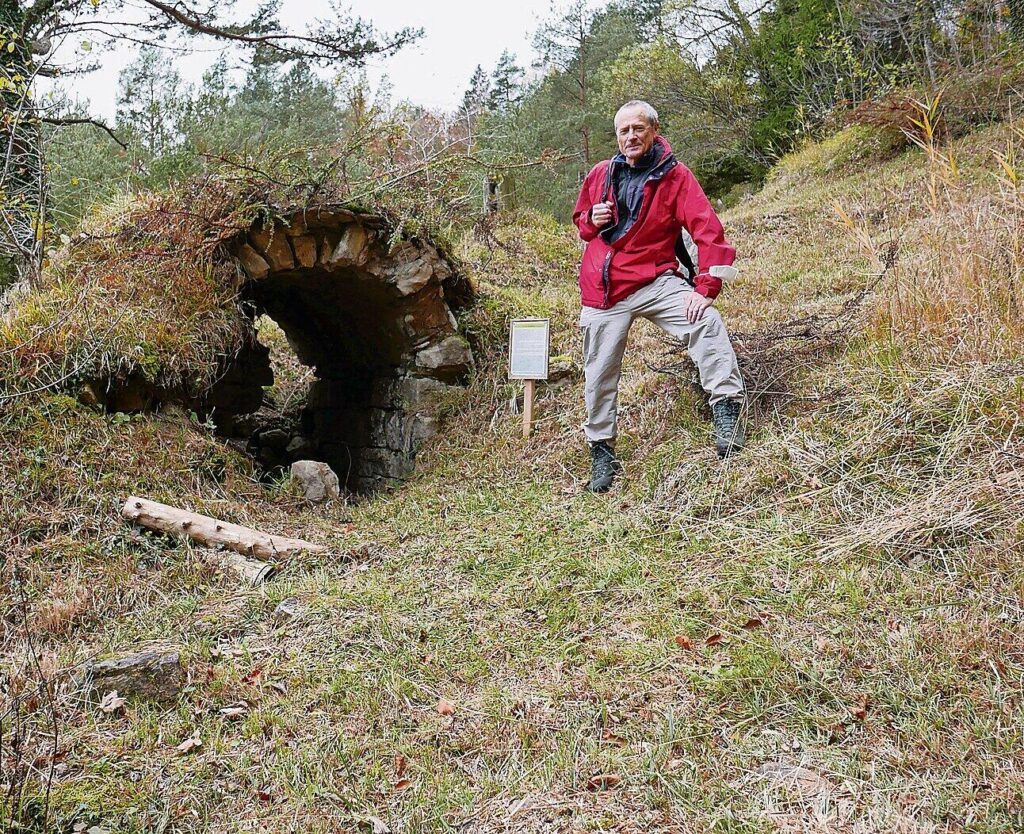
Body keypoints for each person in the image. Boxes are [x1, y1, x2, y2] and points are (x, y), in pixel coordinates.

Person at [572, 100, 745, 493]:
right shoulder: (600, 173)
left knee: (706, 321)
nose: (630, 136)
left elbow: (707, 230)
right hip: (604, 290)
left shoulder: (676, 177)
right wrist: (592, 220)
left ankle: (726, 409)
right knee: (598, 373)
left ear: (653, 130)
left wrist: (707, 287)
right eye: (623, 131)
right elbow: (581, 222)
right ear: (616, 137)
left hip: (655, 279)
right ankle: (601, 448)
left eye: (638, 129)